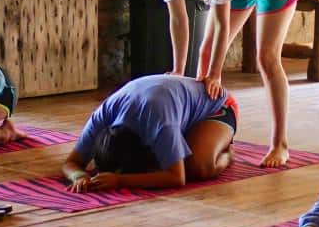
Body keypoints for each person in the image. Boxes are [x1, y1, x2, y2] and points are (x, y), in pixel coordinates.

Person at [135, 0, 298, 168]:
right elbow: (178, 19)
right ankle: (212, 135)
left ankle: (280, 144)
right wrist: (178, 70)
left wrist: (214, 75)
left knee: (267, 58)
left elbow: (222, 24)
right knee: (206, 52)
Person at [62, 74, 238, 192]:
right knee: (174, 157)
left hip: (216, 106)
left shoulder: (160, 121)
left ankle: (227, 153)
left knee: (198, 168)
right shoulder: (103, 117)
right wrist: (80, 176)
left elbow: (177, 178)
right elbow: (71, 163)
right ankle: (182, 141)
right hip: (173, 106)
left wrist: (120, 181)